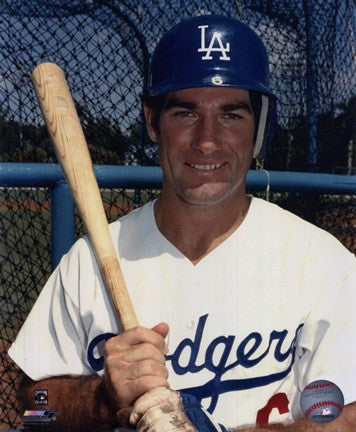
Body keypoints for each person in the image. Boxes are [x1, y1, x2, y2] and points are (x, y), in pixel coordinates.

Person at [8, 15, 356, 432]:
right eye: (185, 113)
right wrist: (103, 399)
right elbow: (34, 409)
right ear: (153, 122)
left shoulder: (321, 262)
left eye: (231, 114)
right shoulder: (89, 263)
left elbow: (347, 414)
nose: (207, 140)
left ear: (260, 128)